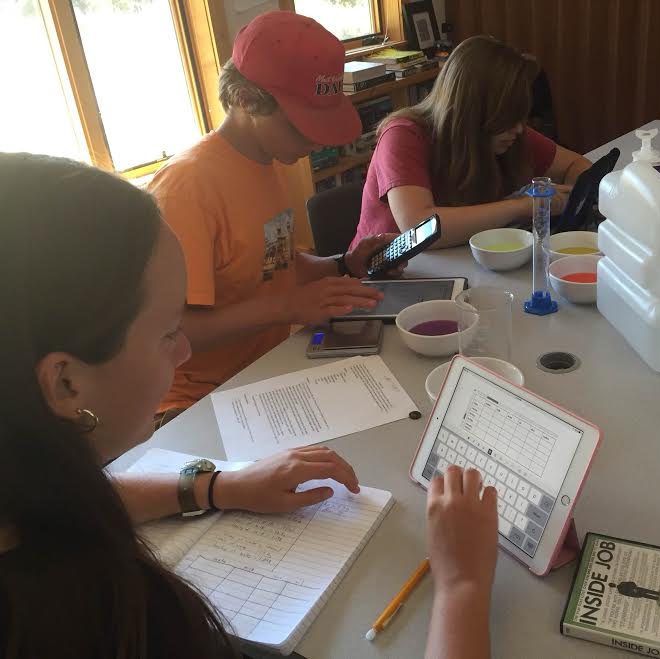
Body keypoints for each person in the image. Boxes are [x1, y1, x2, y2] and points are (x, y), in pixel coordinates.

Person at [0, 153, 498, 658]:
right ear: (65, 384)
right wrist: (463, 587)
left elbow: (65, 505)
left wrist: (216, 486)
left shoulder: (28, 495)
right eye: (168, 333)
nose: (184, 350)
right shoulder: (69, 623)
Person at [149, 12, 402, 421]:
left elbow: (274, 265)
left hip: (268, 370)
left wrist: (343, 264)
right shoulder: (187, 190)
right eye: (303, 125)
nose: (317, 140)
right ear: (246, 100)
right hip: (195, 403)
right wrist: (287, 308)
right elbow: (172, 334)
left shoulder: (270, 160)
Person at [350, 35, 594, 250]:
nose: (519, 129)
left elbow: (578, 165)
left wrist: (574, 200)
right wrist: (521, 206)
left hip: (456, 261)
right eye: (508, 117)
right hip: (385, 276)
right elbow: (419, 228)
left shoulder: (506, 132)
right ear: (473, 113)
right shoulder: (402, 136)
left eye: (520, 117)